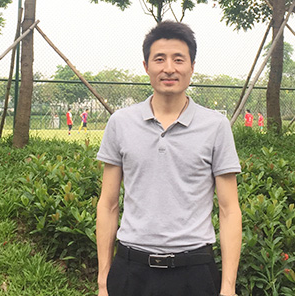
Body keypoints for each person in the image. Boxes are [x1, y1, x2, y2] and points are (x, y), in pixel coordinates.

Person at [96, 21, 242, 296]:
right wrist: (103, 281)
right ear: (146, 66)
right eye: (159, 59)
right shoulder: (121, 123)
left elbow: (229, 210)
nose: (169, 68)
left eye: (179, 59)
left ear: (192, 66)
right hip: (130, 271)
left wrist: (228, 287)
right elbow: (108, 204)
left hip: (195, 273)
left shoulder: (215, 126)